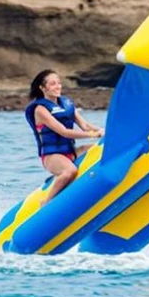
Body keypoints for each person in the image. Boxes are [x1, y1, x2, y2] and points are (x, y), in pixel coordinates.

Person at [25, 69, 104, 205]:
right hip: (52, 156)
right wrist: (92, 135)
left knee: (101, 148)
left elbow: (84, 125)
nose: (57, 87)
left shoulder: (66, 104)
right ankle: (46, 203)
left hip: (71, 151)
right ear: (43, 88)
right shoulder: (40, 110)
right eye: (52, 84)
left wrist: (103, 131)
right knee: (69, 171)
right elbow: (64, 132)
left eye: (59, 83)